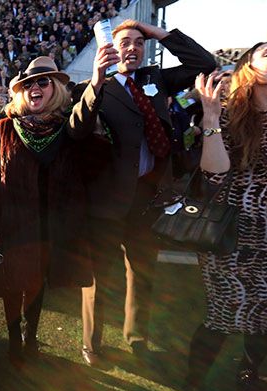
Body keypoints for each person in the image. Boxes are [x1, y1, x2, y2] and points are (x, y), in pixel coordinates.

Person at [70, 19, 216, 365]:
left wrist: (159, 34)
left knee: (143, 274)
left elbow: (205, 65)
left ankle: (136, 338)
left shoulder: (156, 78)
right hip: (106, 202)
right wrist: (95, 80)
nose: (132, 48)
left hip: (149, 198)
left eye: (138, 43)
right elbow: (76, 131)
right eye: (125, 43)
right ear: (110, 48)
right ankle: (92, 344)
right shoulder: (95, 85)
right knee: (98, 278)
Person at [181, 42, 267, 391]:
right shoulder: (233, 114)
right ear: (250, 70)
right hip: (233, 233)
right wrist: (212, 118)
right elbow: (215, 174)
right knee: (222, 316)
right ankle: (192, 388)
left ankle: (249, 365)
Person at [0, 56, 92, 366]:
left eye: (43, 82)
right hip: (13, 225)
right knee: (14, 286)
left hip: (49, 226)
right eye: (28, 84)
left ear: (55, 88)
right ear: (20, 93)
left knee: (37, 284)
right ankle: (16, 340)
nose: (34, 88)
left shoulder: (66, 129)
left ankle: (32, 337)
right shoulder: (4, 128)